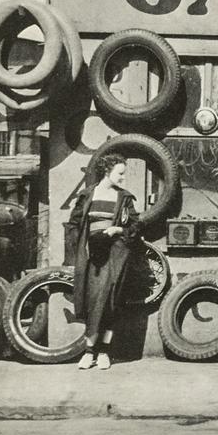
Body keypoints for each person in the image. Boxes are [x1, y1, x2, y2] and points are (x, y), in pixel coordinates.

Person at [64, 153, 142, 370]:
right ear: (107, 171)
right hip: (92, 254)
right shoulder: (87, 194)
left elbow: (135, 226)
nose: (123, 178)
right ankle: (90, 352)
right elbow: (73, 224)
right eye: (120, 173)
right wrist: (81, 248)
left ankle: (103, 352)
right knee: (93, 300)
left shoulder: (124, 198)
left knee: (110, 299)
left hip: (115, 254)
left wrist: (118, 230)